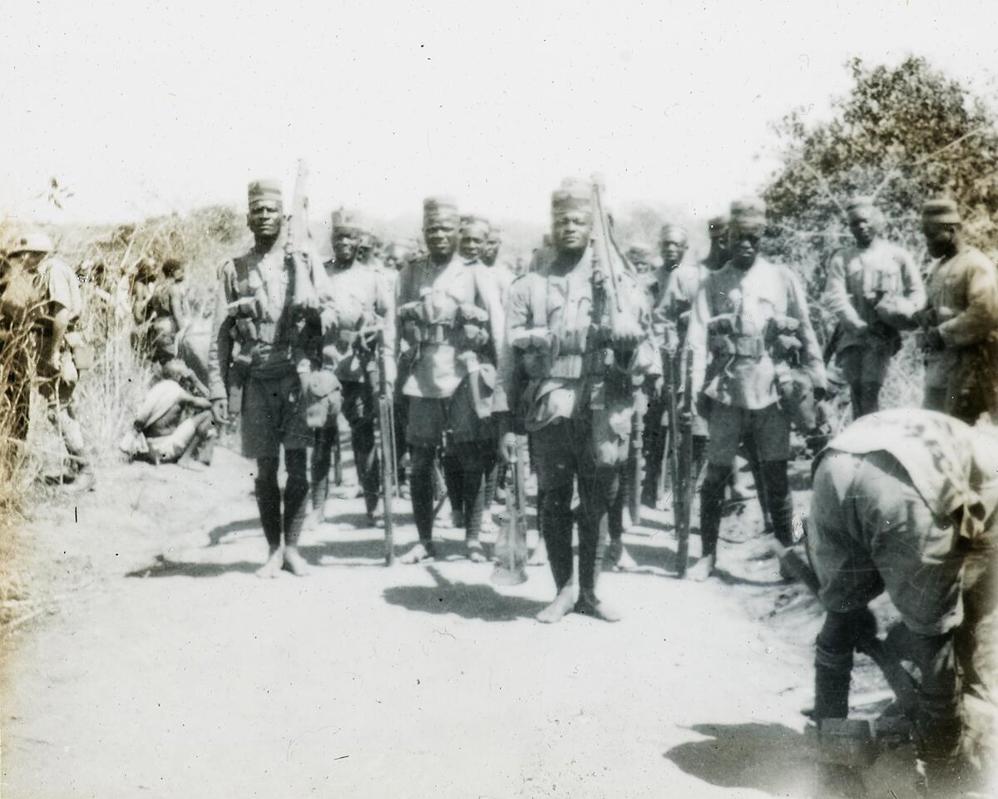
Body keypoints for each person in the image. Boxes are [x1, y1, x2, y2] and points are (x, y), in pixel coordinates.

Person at [807, 408, 997, 794]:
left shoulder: (960, 432)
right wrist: (939, 622)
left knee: (841, 616)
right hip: (902, 488)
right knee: (935, 640)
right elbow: (979, 568)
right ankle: (946, 777)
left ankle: (833, 758)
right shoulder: (992, 466)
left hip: (834, 465)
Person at [499, 178, 657, 622]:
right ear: (551, 226)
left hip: (603, 405)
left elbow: (642, 349)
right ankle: (563, 589)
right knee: (552, 498)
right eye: (560, 220)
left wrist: (625, 341)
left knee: (598, 498)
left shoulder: (619, 283)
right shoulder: (528, 286)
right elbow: (508, 363)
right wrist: (505, 423)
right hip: (549, 406)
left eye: (578, 220)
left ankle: (589, 590)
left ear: (592, 227)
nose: (569, 226)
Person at [688, 198, 826, 581]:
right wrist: (693, 389)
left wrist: (817, 374)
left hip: (771, 387)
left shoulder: (781, 278)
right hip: (728, 389)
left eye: (753, 237)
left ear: (762, 236)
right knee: (715, 474)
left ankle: (789, 553)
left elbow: (805, 326)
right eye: (738, 238)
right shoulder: (713, 282)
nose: (746, 244)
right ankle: (707, 555)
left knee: (777, 476)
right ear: (727, 238)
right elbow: (697, 339)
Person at [206, 179, 320, 578]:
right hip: (255, 379)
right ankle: (274, 549)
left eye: (272, 210)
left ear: (284, 217)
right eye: (258, 211)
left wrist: (310, 297)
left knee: (300, 466)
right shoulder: (233, 269)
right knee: (267, 470)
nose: (265, 216)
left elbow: (330, 319)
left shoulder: (304, 261)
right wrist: (217, 388)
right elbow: (220, 334)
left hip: (295, 376)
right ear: (248, 218)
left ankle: (294, 547)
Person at [395, 196, 506, 564]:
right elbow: (391, 326)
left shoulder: (476, 272)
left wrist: (504, 378)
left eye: (445, 228)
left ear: (457, 231)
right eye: (431, 229)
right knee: (421, 460)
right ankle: (424, 540)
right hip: (423, 373)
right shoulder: (411, 272)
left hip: (463, 371)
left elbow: (497, 327)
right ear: (424, 233)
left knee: (472, 457)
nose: (438, 235)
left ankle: (472, 538)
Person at [310, 209, 395, 527]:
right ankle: (317, 507)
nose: (343, 242)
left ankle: (372, 505)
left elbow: (388, 320)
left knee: (363, 441)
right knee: (321, 438)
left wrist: (377, 337)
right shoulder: (320, 274)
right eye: (338, 236)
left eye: (349, 236)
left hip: (359, 369)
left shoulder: (373, 278)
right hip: (327, 367)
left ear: (359, 241)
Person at [1, 229, 94, 489]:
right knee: (64, 405)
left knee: (58, 409)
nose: (19, 263)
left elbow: (61, 315)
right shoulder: (54, 269)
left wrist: (52, 353)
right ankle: (76, 465)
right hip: (64, 345)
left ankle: (85, 469)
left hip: (61, 347)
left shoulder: (52, 269)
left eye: (20, 257)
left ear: (30, 254)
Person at [824, 196, 925, 417]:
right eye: (854, 223)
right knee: (851, 390)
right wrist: (855, 323)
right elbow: (835, 296)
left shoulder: (897, 256)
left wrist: (902, 311)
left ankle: (870, 440)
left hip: (881, 336)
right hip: (850, 336)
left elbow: (917, 294)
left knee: (870, 390)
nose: (860, 227)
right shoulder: (842, 258)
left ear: (877, 222)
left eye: (865, 221)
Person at [918, 198, 998, 425]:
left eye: (932, 235)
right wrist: (922, 317)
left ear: (951, 231)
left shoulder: (976, 265)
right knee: (933, 425)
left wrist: (942, 333)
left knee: (956, 427)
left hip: (971, 368)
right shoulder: (938, 268)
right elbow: (934, 308)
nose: (927, 242)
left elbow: (985, 312)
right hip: (940, 368)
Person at [121, 360, 216, 467]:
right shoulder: (179, 393)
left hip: (149, 449)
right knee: (208, 415)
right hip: (164, 451)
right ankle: (185, 459)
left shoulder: (157, 388)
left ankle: (191, 455)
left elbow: (140, 420)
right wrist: (195, 380)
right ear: (177, 376)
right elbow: (210, 404)